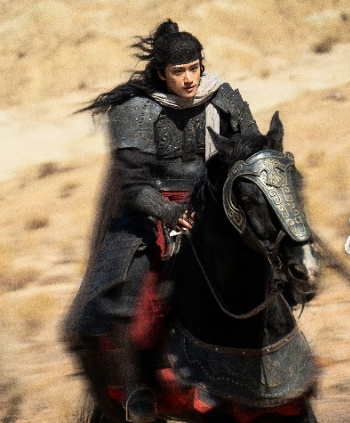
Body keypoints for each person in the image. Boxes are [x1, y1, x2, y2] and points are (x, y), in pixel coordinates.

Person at [63, 19, 260, 422]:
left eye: (194, 68)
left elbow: (251, 149)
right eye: (178, 71)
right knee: (124, 291)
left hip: (210, 200)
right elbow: (134, 183)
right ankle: (135, 388)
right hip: (150, 209)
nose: (189, 79)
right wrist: (170, 213)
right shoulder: (135, 111)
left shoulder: (223, 98)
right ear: (161, 73)